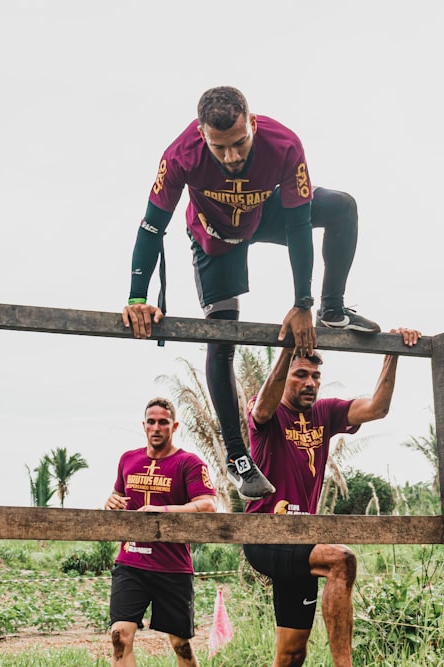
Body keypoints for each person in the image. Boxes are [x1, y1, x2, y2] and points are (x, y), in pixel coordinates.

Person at [122, 85, 379, 502]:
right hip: (215, 235)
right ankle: (239, 457)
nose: (231, 157)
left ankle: (335, 307)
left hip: (263, 216)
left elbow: (299, 226)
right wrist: (137, 297)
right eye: (218, 147)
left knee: (341, 207)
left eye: (239, 143)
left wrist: (304, 304)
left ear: (252, 124)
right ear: (202, 135)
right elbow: (152, 226)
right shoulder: (180, 154)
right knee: (223, 336)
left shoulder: (284, 144)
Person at [242, 328, 422, 667]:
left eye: (315, 376)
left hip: (303, 541)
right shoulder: (266, 409)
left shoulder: (325, 413)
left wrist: (392, 353)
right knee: (341, 559)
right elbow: (263, 411)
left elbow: (377, 408)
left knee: (293, 654)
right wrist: (287, 349)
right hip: (265, 536)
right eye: (300, 375)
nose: (310, 383)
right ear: (285, 377)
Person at [104, 397, 218, 667]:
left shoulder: (189, 463)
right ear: (144, 425)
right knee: (119, 637)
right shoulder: (128, 460)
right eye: (151, 422)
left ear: (174, 426)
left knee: (181, 646)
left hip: (172, 567)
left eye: (163, 422)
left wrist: (163, 511)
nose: (157, 427)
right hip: (131, 562)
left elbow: (208, 504)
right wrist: (111, 500)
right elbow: (118, 495)